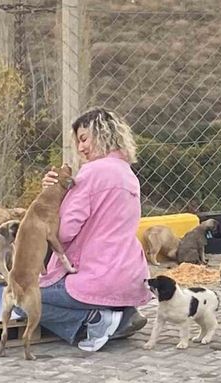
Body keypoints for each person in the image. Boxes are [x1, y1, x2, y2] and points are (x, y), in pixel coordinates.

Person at [35, 107, 151, 352]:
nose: (80, 148)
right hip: (131, 277)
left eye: (84, 139)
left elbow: (63, 232)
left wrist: (51, 195)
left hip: (97, 279)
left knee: (21, 299)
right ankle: (121, 314)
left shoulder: (91, 172)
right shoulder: (128, 173)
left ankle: (96, 319)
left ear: (102, 133)